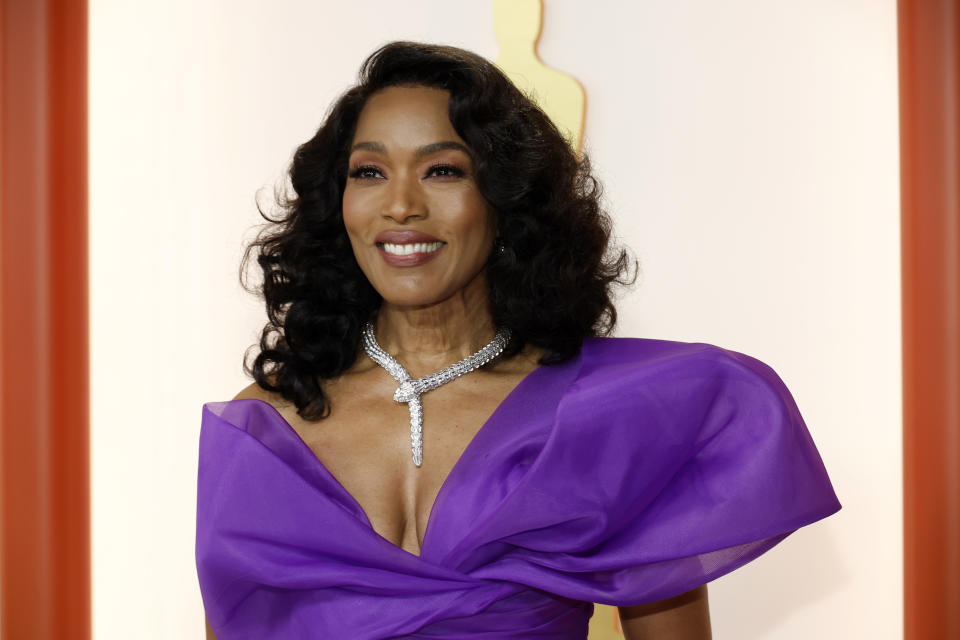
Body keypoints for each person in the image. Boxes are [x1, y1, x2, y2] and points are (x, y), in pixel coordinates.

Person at [195, 41, 841, 639]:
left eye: (442, 171)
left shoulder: (602, 422)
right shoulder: (265, 429)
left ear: (506, 199)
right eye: (368, 173)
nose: (399, 206)